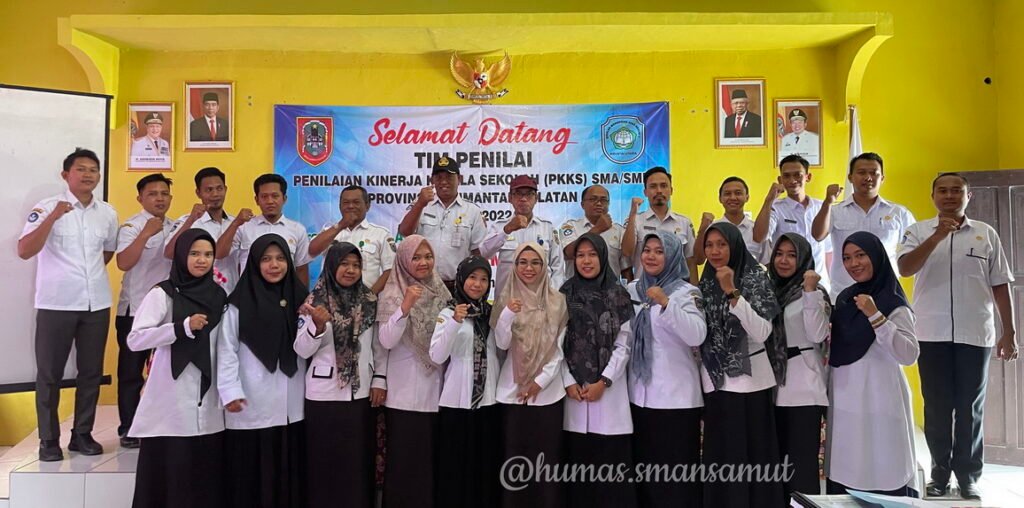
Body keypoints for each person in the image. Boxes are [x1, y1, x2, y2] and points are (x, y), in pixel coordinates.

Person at [897, 173, 1017, 500]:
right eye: (943, 190)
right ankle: (939, 475)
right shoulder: (917, 231)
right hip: (931, 333)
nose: (949, 196)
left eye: (956, 191)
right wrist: (937, 236)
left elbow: (1000, 283)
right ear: (933, 196)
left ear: (968, 196)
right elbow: (906, 268)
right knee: (937, 408)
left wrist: (1009, 331)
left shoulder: (985, 233)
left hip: (975, 333)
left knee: (970, 409)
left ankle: (968, 477)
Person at [18, 148, 118, 462]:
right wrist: (52, 218)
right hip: (56, 303)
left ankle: (82, 434)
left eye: (93, 170)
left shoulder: (107, 213)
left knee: (91, 372)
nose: (88, 175)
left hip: (96, 303)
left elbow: (107, 252)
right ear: (66, 175)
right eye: (81, 169)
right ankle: (48, 440)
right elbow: (25, 250)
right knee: (49, 374)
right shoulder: (47, 207)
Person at [126, 229, 228, 508]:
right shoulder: (163, 293)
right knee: (171, 477)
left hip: (208, 400)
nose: (201, 260)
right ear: (182, 256)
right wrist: (180, 328)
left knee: (203, 479)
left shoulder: (219, 296)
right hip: (170, 403)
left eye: (208, 254)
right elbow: (135, 339)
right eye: (194, 253)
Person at [218, 234, 308, 508]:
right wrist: (230, 391)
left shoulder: (301, 300)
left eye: (280, 259)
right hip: (251, 401)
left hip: (292, 404)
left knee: (288, 471)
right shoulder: (236, 305)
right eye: (266, 259)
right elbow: (226, 351)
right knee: (253, 476)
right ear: (255, 263)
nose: (274, 265)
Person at [826, 232, 919, 497]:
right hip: (845, 397)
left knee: (883, 461)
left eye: (860, 255)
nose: (853, 263)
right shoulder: (845, 299)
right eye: (846, 258)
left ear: (877, 257)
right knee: (848, 463)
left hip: (881, 398)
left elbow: (909, 354)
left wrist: (875, 316)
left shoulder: (893, 302)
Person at [699, 222, 784, 508]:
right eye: (709, 245)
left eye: (722, 244)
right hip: (716, 383)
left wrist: (733, 293)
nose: (715, 251)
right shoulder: (706, 282)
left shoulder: (754, 278)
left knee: (755, 461)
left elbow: (762, 332)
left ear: (735, 245)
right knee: (723, 462)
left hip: (751, 385)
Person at [293, 242, 384, 508]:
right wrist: (317, 327)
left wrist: (380, 378)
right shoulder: (314, 302)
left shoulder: (369, 301)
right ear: (331, 266)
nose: (350, 270)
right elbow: (301, 349)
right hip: (324, 397)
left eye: (356, 265)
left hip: (360, 394)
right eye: (344, 264)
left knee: (356, 463)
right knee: (325, 463)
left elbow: (378, 346)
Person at [627, 232, 707, 508]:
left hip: (676, 400)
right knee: (646, 474)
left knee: (676, 477)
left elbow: (697, 335)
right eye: (647, 250)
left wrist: (666, 303)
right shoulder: (633, 290)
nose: (650, 256)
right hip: (639, 396)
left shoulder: (686, 292)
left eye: (659, 251)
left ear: (672, 256)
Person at [561, 233, 637, 508]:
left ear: (603, 257)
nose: (586, 260)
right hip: (574, 392)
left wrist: (604, 381)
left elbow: (624, 344)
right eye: (580, 255)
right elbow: (556, 344)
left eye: (592, 254)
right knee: (579, 470)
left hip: (609, 392)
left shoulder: (618, 294)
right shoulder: (564, 294)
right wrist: (568, 381)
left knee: (610, 472)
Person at [376, 235, 452, 508]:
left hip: (435, 390)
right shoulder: (392, 293)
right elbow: (386, 341)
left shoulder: (442, 293)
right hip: (403, 394)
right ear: (403, 260)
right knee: (404, 461)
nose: (423, 263)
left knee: (427, 461)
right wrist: (405, 307)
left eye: (428, 257)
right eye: (416, 257)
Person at [492, 242, 569, 508]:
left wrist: (539, 382)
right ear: (514, 266)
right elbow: (501, 344)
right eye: (522, 262)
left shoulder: (557, 301)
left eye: (535, 262)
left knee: (545, 463)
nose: (529, 268)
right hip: (513, 392)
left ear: (545, 266)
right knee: (514, 462)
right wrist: (507, 315)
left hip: (548, 394)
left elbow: (560, 349)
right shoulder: (506, 297)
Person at [429, 256, 501, 508]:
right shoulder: (449, 312)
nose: (477, 284)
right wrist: (454, 322)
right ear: (461, 279)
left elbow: (502, 348)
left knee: (484, 465)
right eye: (472, 277)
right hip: (457, 401)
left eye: (483, 279)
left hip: (488, 400)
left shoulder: (491, 314)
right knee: (455, 466)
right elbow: (437, 356)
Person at [767, 233, 831, 497]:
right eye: (779, 254)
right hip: (773, 386)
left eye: (792, 255)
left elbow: (817, 334)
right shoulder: (770, 290)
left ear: (803, 259)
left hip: (803, 388)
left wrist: (809, 292)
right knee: (777, 466)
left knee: (801, 467)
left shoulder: (814, 292)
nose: (784, 260)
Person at [114, 173, 175, 448]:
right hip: (135, 310)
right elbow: (123, 263)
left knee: (165, 371)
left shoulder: (176, 226)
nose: (159, 199)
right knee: (131, 373)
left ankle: (160, 424)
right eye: (152, 194)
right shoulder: (131, 226)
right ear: (140, 198)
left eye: (164, 193)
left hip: (168, 312)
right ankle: (128, 427)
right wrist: (146, 233)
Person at [812, 152, 916, 299]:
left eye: (874, 173)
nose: (868, 177)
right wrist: (828, 202)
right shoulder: (835, 211)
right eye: (861, 172)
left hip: (885, 293)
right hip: (844, 294)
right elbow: (818, 235)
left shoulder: (899, 213)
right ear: (850, 177)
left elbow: (914, 248)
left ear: (882, 178)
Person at [397, 156, 487, 291]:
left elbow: (477, 252)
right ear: (432, 180)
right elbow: (404, 232)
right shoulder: (421, 205)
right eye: (439, 177)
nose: (444, 182)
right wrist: (420, 204)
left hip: (458, 286)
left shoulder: (472, 211)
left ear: (459, 179)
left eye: (449, 177)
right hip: (422, 284)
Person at [753, 154, 832, 292]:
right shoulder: (775, 208)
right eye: (787, 176)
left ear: (808, 177)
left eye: (797, 175)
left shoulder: (822, 207)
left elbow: (829, 251)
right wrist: (768, 200)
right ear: (780, 180)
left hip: (819, 284)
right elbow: (759, 237)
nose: (792, 180)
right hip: (787, 286)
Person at [216, 173, 312, 286]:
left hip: (285, 294)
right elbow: (219, 254)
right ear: (256, 200)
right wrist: (235, 223)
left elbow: (301, 269)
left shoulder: (297, 230)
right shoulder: (243, 227)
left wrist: (302, 296)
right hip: (250, 293)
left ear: (284, 199)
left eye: (275, 196)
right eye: (264, 196)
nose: (270, 201)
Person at [479, 175, 564, 294]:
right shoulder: (500, 226)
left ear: (536, 198)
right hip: (508, 298)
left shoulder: (547, 228)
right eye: (518, 194)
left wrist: (551, 294)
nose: (523, 199)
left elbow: (558, 267)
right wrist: (506, 230)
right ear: (510, 198)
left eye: (529, 194)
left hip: (541, 298)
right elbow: (483, 253)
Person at [309, 185, 395, 294]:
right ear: (340, 206)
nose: (350, 206)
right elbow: (312, 251)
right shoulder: (329, 232)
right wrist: (341, 225)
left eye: (356, 202)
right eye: (346, 202)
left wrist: (370, 297)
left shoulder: (381, 234)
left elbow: (389, 270)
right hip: (329, 298)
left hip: (364, 299)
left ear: (367, 205)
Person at [164, 167, 239, 291]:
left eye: (219, 188)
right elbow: (169, 253)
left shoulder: (235, 222)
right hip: (197, 293)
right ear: (198, 193)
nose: (215, 194)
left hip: (230, 293)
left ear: (225, 189)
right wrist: (191, 219)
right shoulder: (187, 221)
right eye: (209, 190)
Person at [622, 167, 698, 284]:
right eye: (653, 186)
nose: (659, 191)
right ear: (645, 192)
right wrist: (632, 214)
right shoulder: (636, 221)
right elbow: (626, 252)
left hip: (676, 290)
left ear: (671, 190)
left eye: (663, 186)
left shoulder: (684, 222)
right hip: (644, 290)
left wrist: (694, 291)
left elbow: (691, 260)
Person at [560, 184, 632, 280]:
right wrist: (597, 229)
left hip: (610, 288)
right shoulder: (571, 227)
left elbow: (626, 268)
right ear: (582, 204)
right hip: (578, 288)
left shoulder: (619, 231)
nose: (598, 203)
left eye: (603, 200)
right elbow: (569, 253)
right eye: (593, 199)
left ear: (608, 204)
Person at [695, 176, 772, 265]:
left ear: (747, 197)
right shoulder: (711, 229)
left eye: (738, 193)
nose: (733, 197)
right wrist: (702, 230)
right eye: (727, 194)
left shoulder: (758, 230)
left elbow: (767, 263)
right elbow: (698, 260)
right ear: (720, 198)